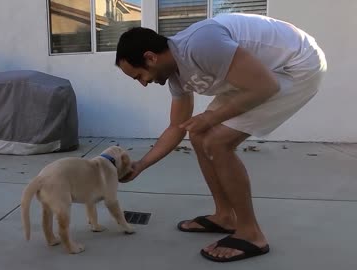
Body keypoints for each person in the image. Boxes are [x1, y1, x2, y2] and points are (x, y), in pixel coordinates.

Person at [115, 13, 327, 262]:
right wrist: (140, 166)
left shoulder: (200, 44)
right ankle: (225, 216)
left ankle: (251, 234)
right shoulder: (177, 77)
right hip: (263, 75)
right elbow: (177, 127)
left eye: (139, 75)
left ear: (150, 57)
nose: (143, 83)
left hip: (297, 66)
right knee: (198, 134)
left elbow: (265, 87)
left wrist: (211, 118)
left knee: (217, 140)